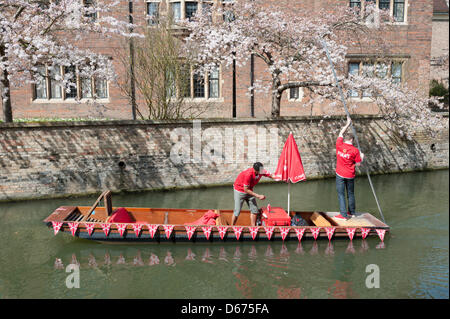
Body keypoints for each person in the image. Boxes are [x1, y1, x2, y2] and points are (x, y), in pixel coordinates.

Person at [335, 117, 364, 219]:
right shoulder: (355, 151)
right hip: (350, 175)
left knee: (341, 194)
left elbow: (340, 133)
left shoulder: (339, 144)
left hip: (340, 174)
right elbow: (358, 164)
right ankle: (352, 212)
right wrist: (362, 157)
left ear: (345, 139)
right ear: (352, 140)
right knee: (350, 194)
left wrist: (348, 123)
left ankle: (343, 215)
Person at [232, 162, 274, 226]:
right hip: (239, 190)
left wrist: (280, 178)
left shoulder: (261, 171)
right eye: (260, 171)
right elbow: (246, 189)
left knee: (255, 210)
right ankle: (231, 227)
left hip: (249, 190)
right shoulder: (248, 174)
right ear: (255, 170)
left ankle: (253, 228)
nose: (262, 172)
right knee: (237, 211)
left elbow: (271, 175)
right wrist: (258, 196)